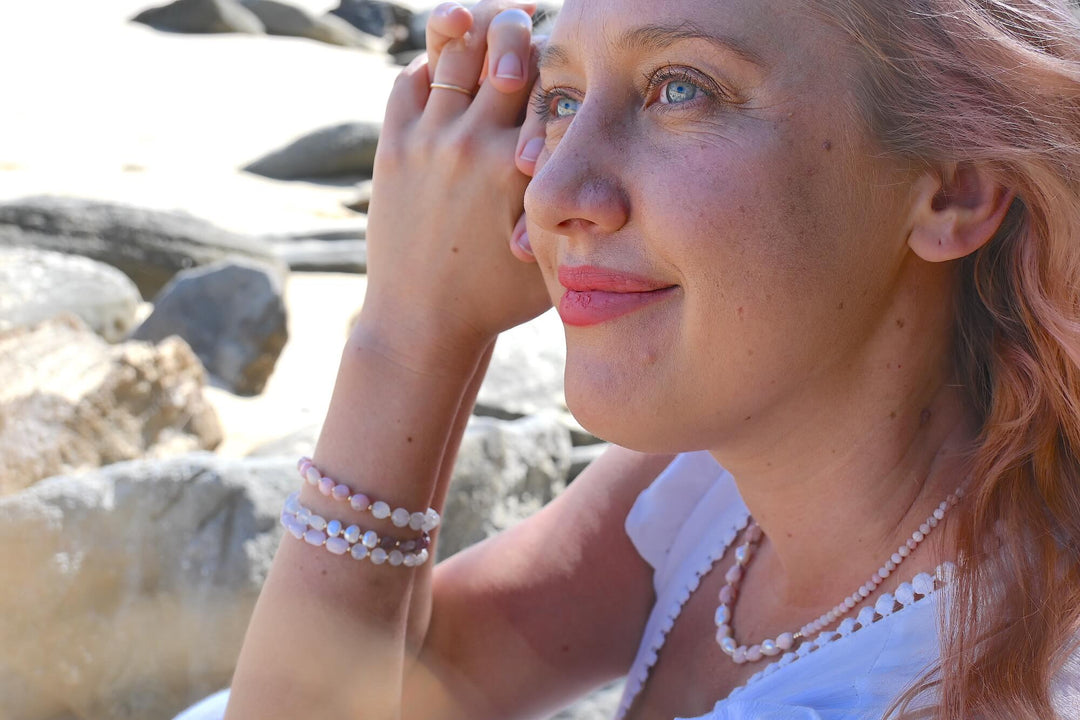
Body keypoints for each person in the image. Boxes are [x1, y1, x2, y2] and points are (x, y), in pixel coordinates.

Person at [176, 0, 1080, 717]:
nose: (556, 189)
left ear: (957, 186)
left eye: (680, 88)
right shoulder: (725, 481)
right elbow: (406, 683)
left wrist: (408, 334)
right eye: (560, 100)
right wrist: (435, 325)